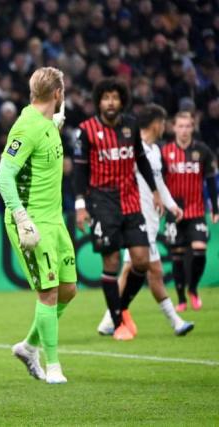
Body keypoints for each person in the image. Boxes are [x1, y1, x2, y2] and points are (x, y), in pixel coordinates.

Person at [0, 67, 76, 384]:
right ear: (57, 94)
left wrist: (52, 124)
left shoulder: (46, 123)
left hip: (56, 220)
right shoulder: (26, 127)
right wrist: (21, 216)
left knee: (68, 290)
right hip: (33, 221)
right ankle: (53, 366)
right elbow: (3, 176)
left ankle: (28, 346)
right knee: (49, 293)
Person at [73, 78, 162, 340]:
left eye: (115, 97)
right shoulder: (86, 130)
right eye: (106, 98)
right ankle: (118, 322)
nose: (110, 102)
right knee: (111, 262)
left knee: (142, 261)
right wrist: (80, 205)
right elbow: (79, 170)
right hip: (103, 202)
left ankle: (120, 310)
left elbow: (141, 160)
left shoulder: (131, 126)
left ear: (122, 100)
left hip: (131, 200)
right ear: (99, 101)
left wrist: (155, 191)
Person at [106, 104, 194, 337]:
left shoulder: (154, 151)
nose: (164, 127)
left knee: (133, 270)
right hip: (137, 219)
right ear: (156, 123)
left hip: (151, 221)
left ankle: (109, 319)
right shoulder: (133, 149)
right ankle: (175, 322)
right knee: (151, 270)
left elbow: (158, 184)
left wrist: (172, 204)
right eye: (163, 122)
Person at [161, 111, 219, 312]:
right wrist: (159, 202)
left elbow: (211, 179)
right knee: (176, 256)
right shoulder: (165, 151)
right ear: (173, 127)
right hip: (174, 212)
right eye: (181, 126)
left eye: (188, 126)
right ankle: (181, 299)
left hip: (196, 211)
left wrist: (215, 207)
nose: (184, 130)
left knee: (199, 249)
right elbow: (158, 181)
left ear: (192, 128)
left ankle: (193, 288)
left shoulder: (202, 151)